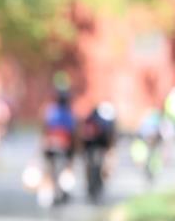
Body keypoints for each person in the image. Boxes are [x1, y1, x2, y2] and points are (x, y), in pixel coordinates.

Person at [40, 75, 77, 205]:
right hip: (62, 145)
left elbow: (44, 129)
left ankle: (53, 189)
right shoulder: (68, 113)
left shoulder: (51, 111)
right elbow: (73, 132)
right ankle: (59, 188)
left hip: (52, 144)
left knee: (49, 168)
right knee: (66, 164)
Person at [80, 101, 117, 201]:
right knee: (100, 166)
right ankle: (96, 186)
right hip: (99, 147)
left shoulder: (90, 119)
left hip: (90, 147)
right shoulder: (105, 120)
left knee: (89, 166)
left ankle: (91, 185)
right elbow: (110, 135)